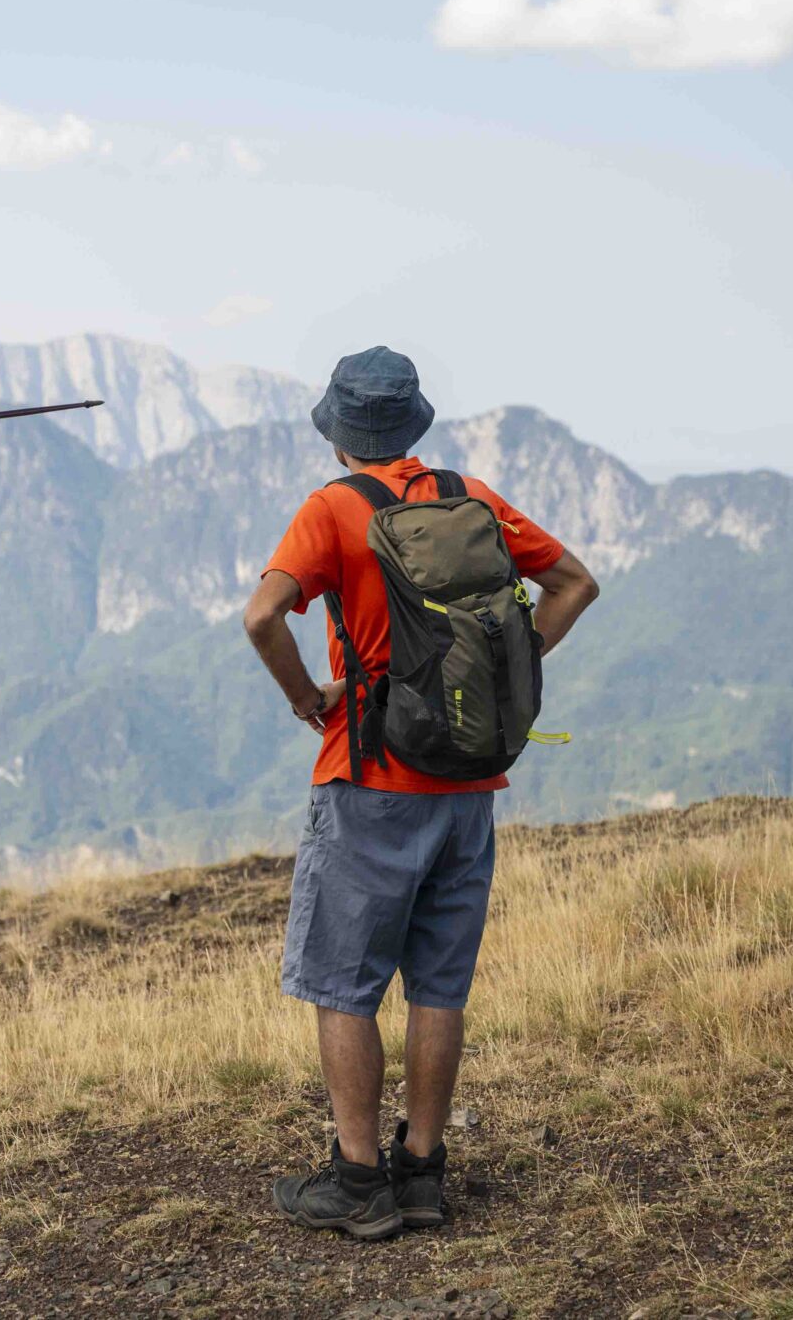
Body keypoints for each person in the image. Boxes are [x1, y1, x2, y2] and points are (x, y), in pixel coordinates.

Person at [242, 346, 600, 1239]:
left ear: (338, 437)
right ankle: (425, 1172)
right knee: (440, 986)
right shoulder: (468, 498)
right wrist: (495, 677)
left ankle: (359, 1180)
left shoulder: (334, 511)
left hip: (369, 779)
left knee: (343, 984)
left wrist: (303, 698)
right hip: (469, 782)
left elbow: (260, 616)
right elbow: (574, 583)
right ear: (412, 427)